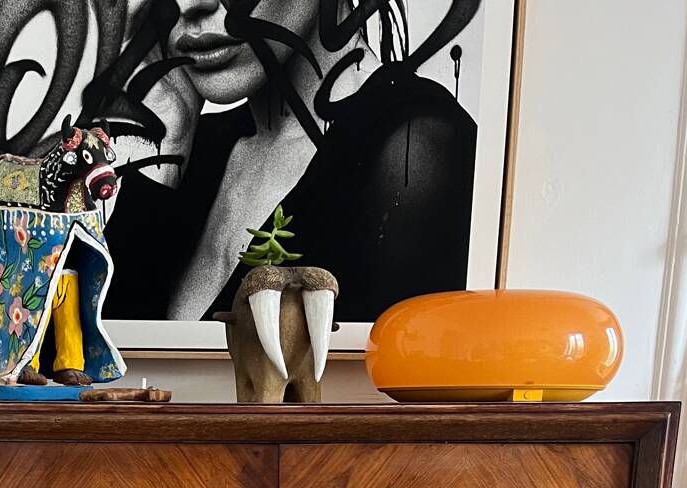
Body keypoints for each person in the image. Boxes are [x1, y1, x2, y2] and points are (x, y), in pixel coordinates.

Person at [98, 0, 478, 321]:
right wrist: (165, 146)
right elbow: (102, 382)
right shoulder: (198, 151)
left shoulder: (416, 146)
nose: (190, 3)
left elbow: (375, 401)